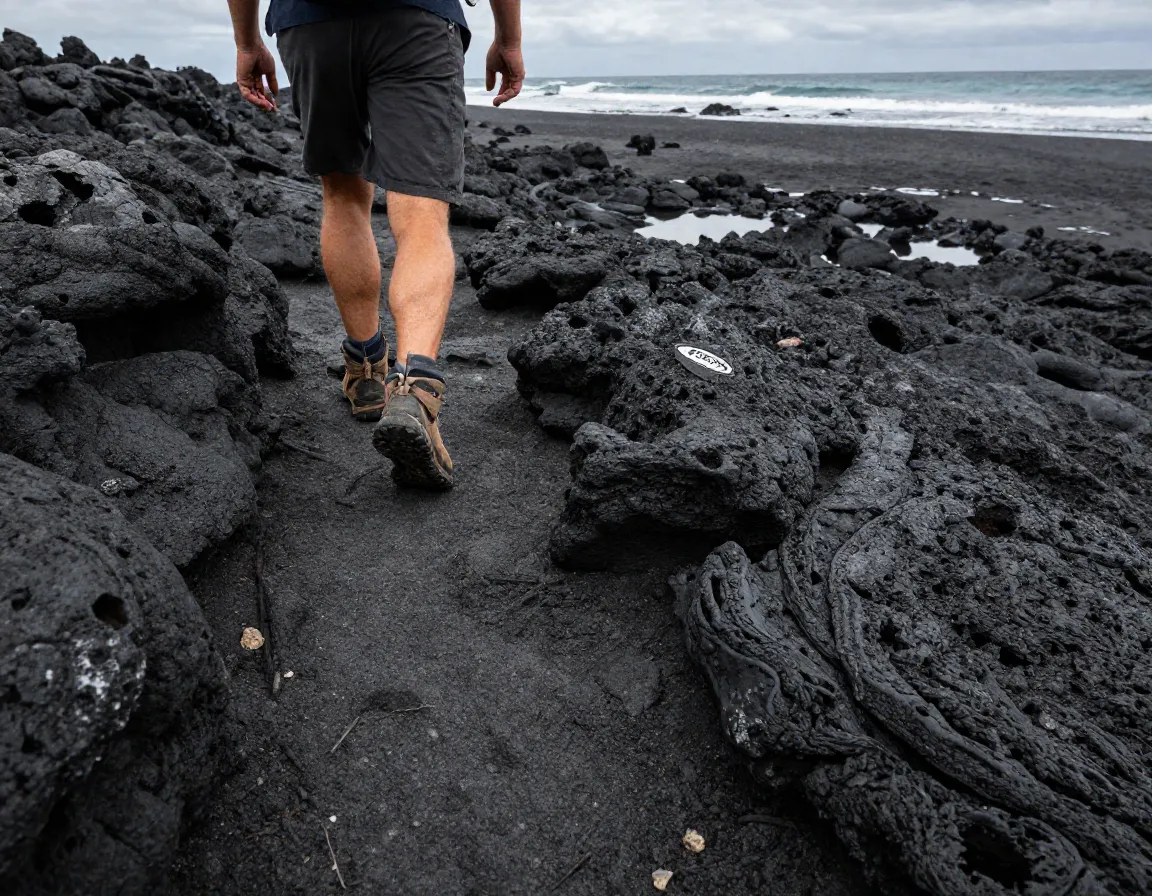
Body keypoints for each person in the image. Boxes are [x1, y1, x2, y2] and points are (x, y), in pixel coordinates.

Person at [226, 0, 525, 490]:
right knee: (422, 212)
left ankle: (366, 371)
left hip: (310, 23)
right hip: (418, 19)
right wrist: (508, 39)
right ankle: (416, 389)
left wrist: (246, 43)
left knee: (342, 194)